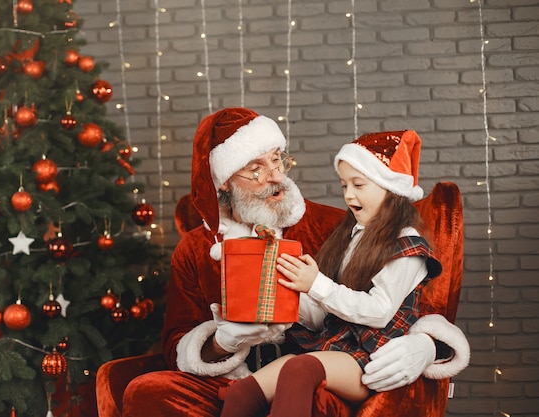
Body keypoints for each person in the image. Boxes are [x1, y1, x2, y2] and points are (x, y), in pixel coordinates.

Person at [122, 108, 470, 417]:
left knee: (307, 387)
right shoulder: (196, 248)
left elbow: (403, 302)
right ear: (225, 179)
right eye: (256, 169)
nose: (274, 176)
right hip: (237, 378)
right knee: (148, 390)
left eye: (277, 160)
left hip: (326, 370)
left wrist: (426, 345)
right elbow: (175, 341)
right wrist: (221, 342)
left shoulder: (336, 225)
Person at [219, 130, 446, 417]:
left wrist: (316, 285)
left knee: (300, 368)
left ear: (390, 188)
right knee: (243, 391)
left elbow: (378, 312)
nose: (349, 195)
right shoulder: (351, 236)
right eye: (344, 185)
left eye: (359, 185)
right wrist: (290, 290)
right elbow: (323, 318)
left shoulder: (407, 243)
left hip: (369, 355)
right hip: (335, 346)